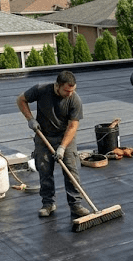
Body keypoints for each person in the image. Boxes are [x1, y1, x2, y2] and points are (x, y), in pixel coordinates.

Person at [17, 70, 91, 219]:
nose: (69, 94)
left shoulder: (75, 100)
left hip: (65, 138)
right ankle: (48, 204)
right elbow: (21, 100)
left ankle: (75, 205)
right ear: (57, 86)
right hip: (43, 136)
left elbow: (72, 127)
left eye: (72, 90)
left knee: (71, 171)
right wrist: (30, 119)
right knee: (44, 171)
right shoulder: (41, 89)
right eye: (66, 90)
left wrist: (62, 147)